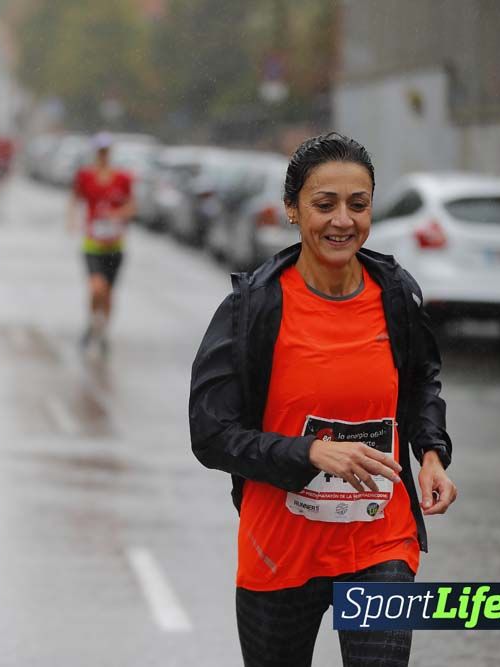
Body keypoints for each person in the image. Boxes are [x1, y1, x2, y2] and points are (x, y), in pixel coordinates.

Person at [188, 132, 457, 667]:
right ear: (292, 209)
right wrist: (310, 452)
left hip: (380, 540)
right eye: (324, 204)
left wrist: (431, 453)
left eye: (358, 205)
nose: (343, 221)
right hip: (280, 549)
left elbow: (422, 380)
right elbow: (211, 435)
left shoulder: (396, 295)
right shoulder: (253, 309)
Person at [68, 132, 135, 354]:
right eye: (100, 151)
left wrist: (117, 214)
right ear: (95, 153)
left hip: (115, 246)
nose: (103, 155)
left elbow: (132, 206)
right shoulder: (85, 176)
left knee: (109, 293)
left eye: (106, 151)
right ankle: (91, 321)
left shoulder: (123, 178)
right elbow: (75, 199)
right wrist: (72, 220)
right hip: (93, 244)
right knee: (97, 287)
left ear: (111, 153)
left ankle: (103, 329)